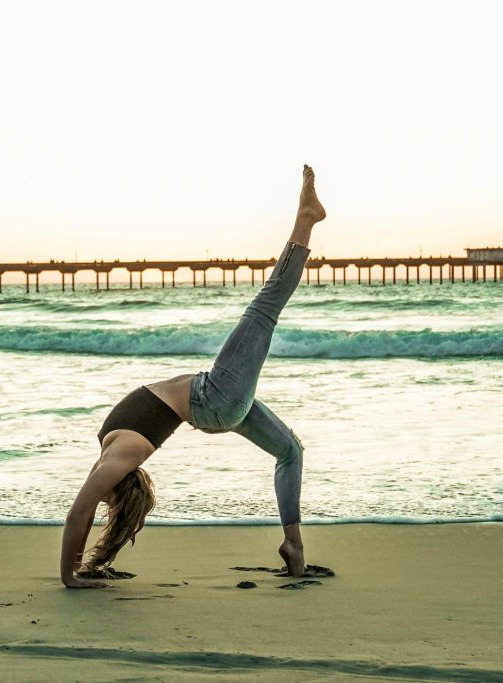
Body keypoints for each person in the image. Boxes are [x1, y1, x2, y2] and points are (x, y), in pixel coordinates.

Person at [60, 165, 327, 588]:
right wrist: (68, 577)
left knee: (290, 451)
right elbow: (79, 512)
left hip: (218, 405)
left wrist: (85, 564)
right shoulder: (122, 455)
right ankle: (306, 217)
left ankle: (293, 545)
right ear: (120, 485)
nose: (104, 492)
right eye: (114, 496)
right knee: (265, 305)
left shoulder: (115, 450)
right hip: (213, 397)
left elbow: (90, 508)